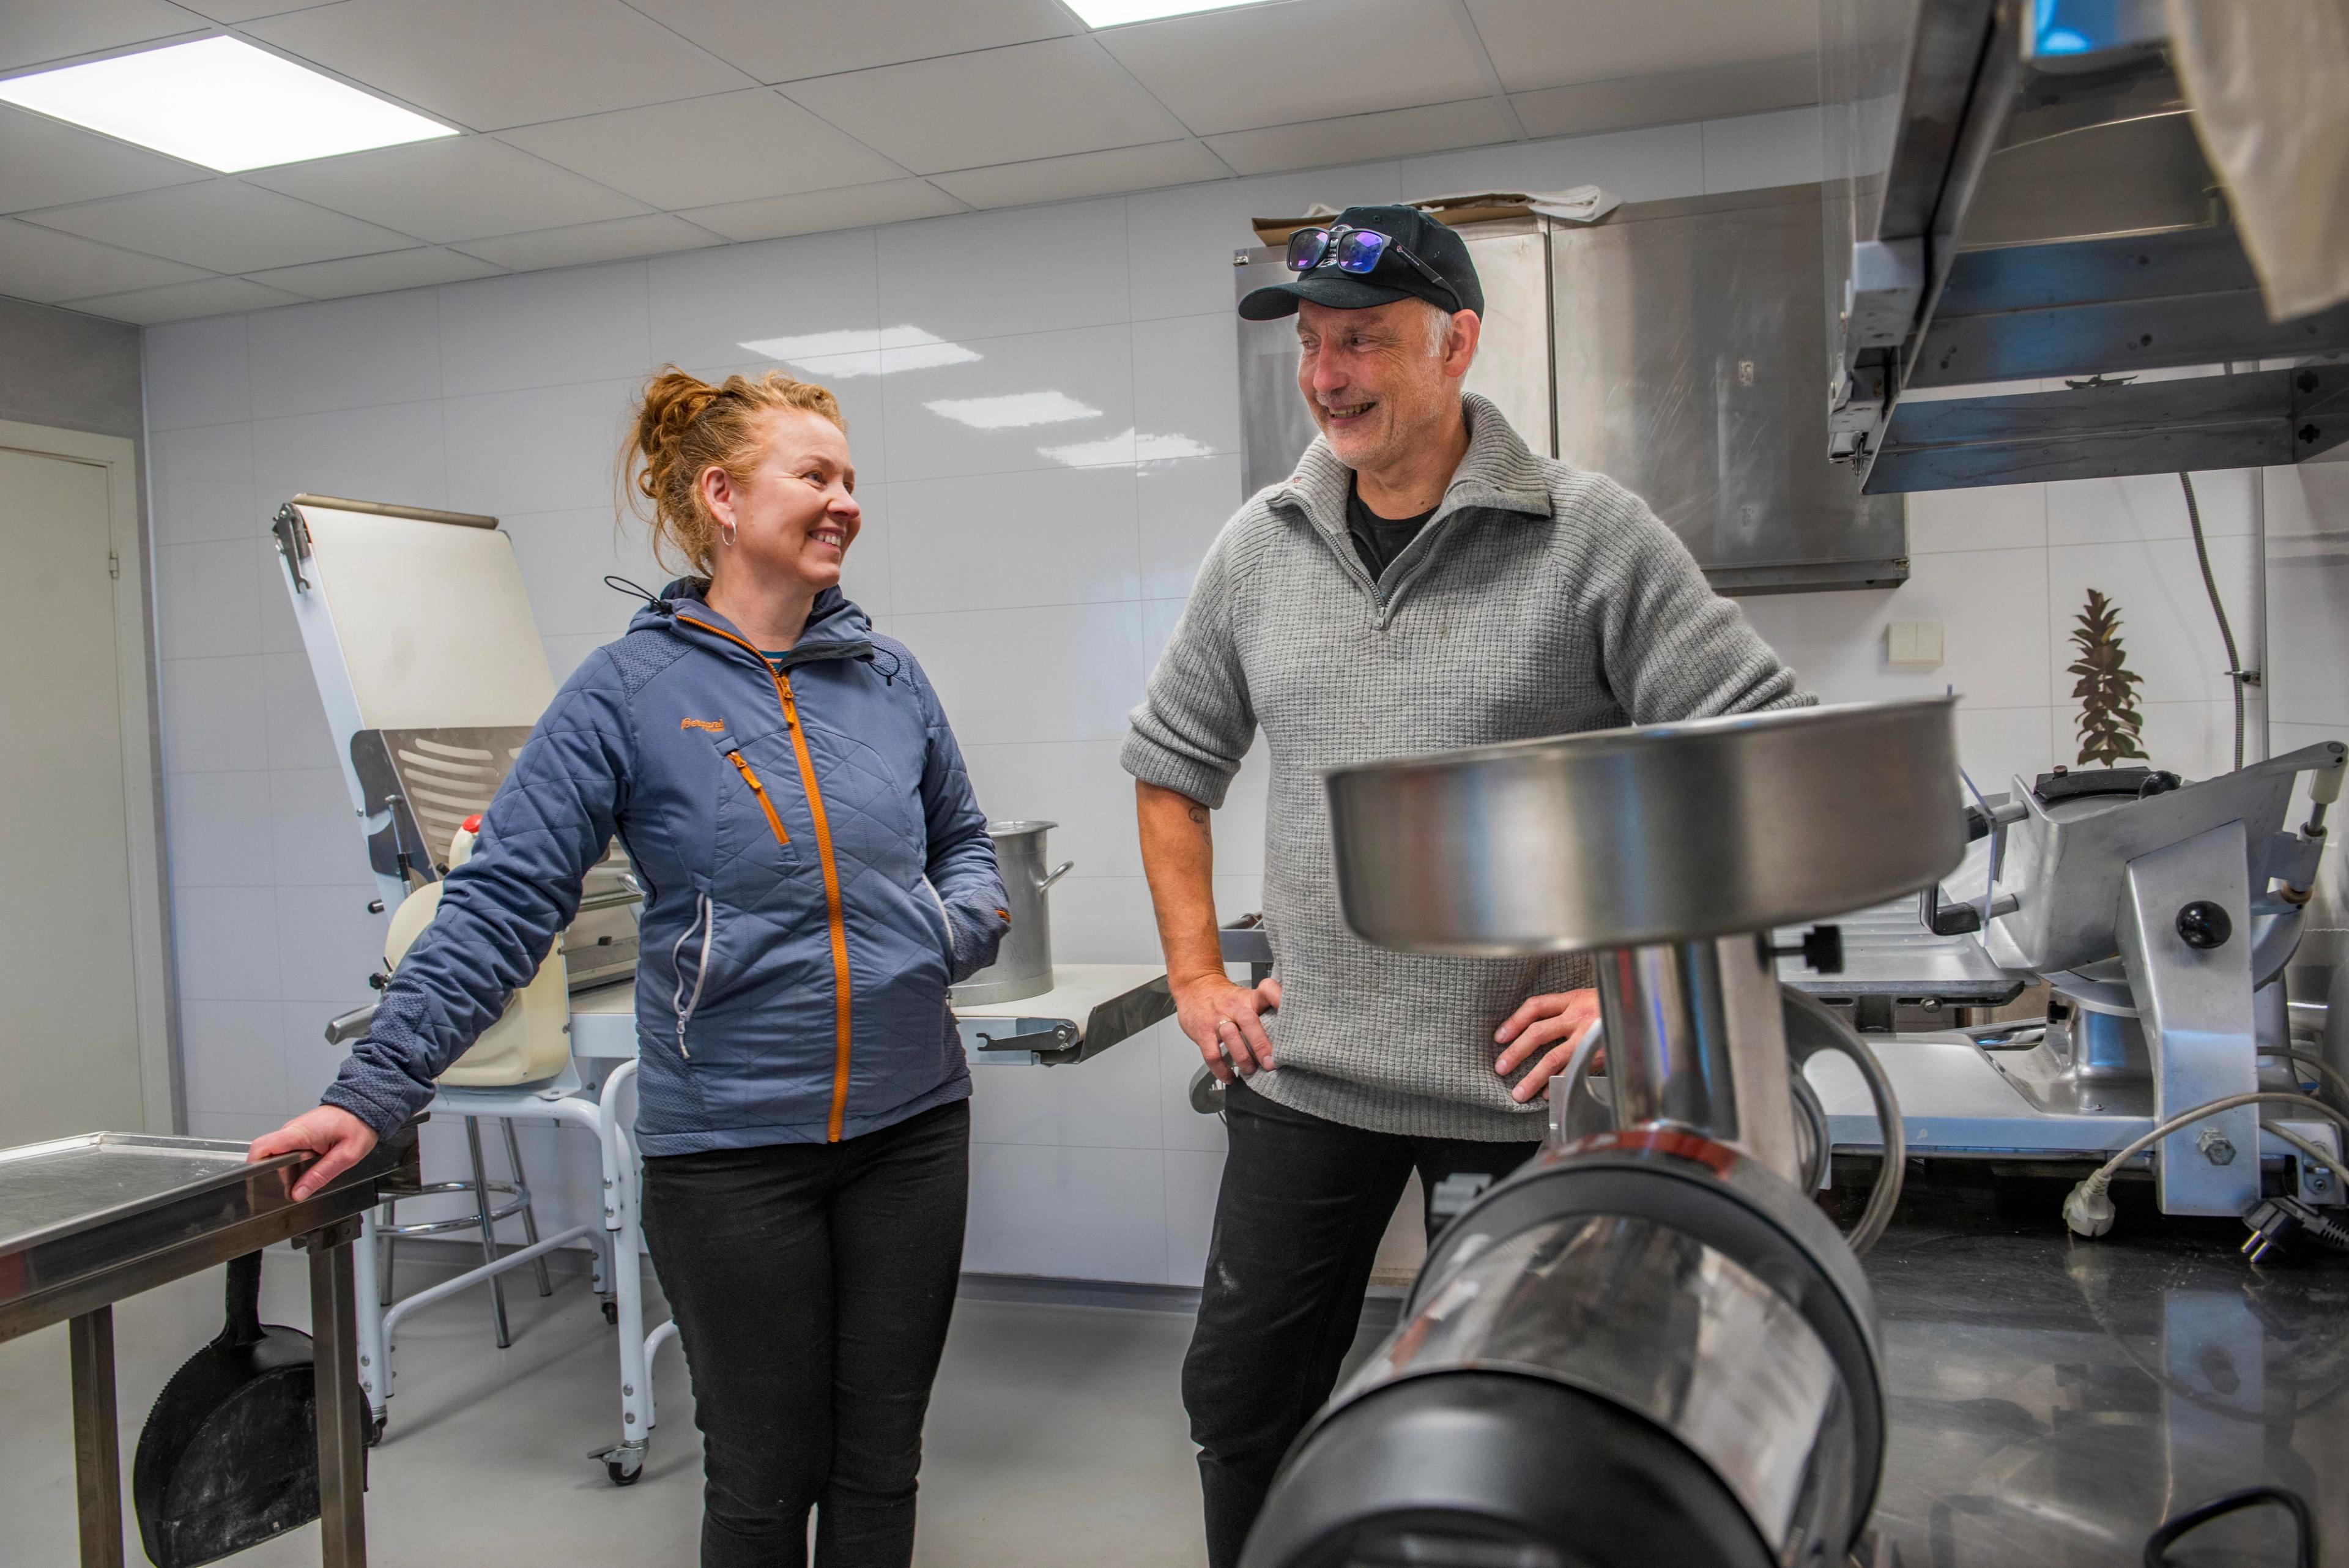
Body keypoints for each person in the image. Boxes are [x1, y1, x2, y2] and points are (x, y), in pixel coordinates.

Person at [1123, 204, 1808, 1566]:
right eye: (1311, 345)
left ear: (1458, 344)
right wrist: (1196, 975)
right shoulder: (1259, 546)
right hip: (1310, 1078)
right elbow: (1168, 767)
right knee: (1241, 1403)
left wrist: (1637, 994)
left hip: (1523, 1096)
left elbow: (1761, 762)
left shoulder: (1590, 536)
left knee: (1509, 1429)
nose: (1327, 376)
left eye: (1363, 341)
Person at [250, 368, 1008, 1568]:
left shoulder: (889, 678)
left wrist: (953, 931)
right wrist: (374, 1090)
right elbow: (502, 901)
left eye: (852, 478)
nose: (846, 501)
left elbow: (964, 841)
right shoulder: (627, 693)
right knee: (763, 1475)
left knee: (881, 1460)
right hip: (732, 1153)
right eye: (815, 475)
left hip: (912, 1131)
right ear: (722, 497)